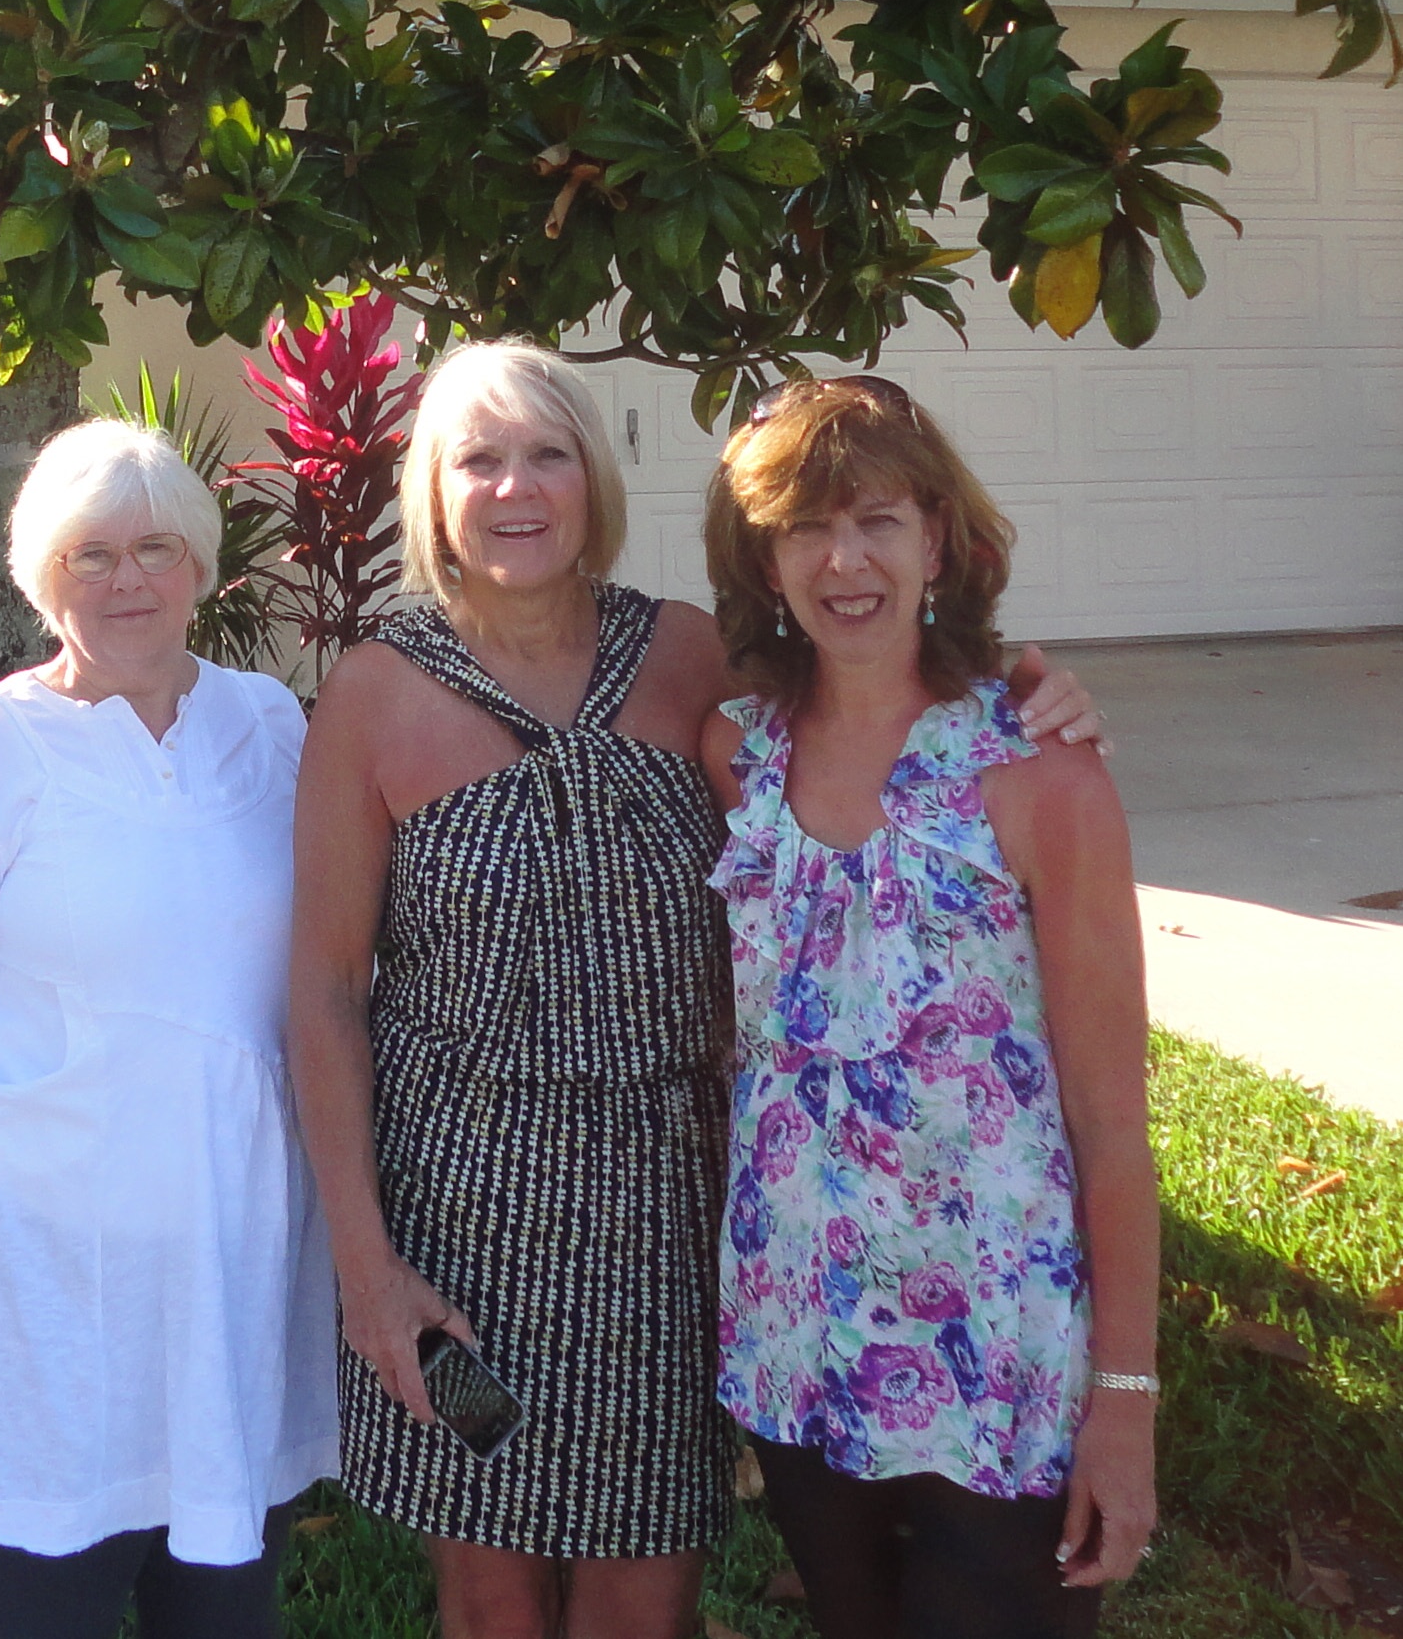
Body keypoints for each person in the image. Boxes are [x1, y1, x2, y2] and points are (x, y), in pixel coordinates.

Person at [286, 343, 1104, 1638]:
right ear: (431, 493)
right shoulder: (372, 695)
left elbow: (868, 697)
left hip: (667, 1204)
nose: (514, 487)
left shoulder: (684, 657)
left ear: (593, 479)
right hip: (457, 1205)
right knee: (490, 1596)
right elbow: (325, 988)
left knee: (641, 1590)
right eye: (477, 459)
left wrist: (1021, 685)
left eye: (546, 454)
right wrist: (363, 1264)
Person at [0, 419, 339, 1639]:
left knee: (222, 1610)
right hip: (43, 1290)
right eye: (89, 555)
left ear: (200, 567)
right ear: (39, 576)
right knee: (46, 1608)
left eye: (154, 549)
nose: (126, 582)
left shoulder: (269, 725)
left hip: (232, 1263)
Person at [698, 376, 1156, 1638]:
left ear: (938, 542)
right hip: (794, 1334)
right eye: (804, 528)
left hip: (997, 1355)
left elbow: (1110, 1122)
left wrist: (1123, 1402)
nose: (842, 561)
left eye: (877, 522)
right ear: (764, 559)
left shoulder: (1036, 773)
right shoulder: (735, 755)